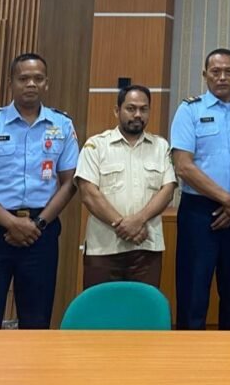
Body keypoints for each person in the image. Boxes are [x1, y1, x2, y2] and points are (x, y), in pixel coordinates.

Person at [0, 53, 78, 333]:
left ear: (47, 83)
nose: (31, 84)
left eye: (38, 78)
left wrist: (37, 225)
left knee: (36, 319)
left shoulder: (62, 126)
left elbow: (70, 183)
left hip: (41, 230)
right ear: (11, 83)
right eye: (24, 78)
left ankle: (33, 376)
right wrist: (11, 223)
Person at [170, 48, 230, 330]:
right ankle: (189, 362)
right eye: (215, 71)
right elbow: (183, 166)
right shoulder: (190, 110)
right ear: (205, 75)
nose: (222, 77)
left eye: (228, 71)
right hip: (199, 213)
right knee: (193, 293)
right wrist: (227, 200)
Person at [75, 85, 177, 289]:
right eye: (131, 108)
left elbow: (167, 190)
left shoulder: (161, 146)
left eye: (144, 109)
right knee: (101, 315)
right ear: (117, 110)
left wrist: (138, 221)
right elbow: (88, 193)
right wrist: (122, 225)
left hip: (146, 247)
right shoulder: (96, 145)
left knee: (142, 315)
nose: (138, 114)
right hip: (104, 248)